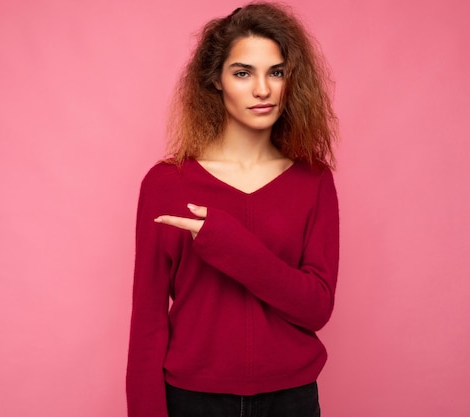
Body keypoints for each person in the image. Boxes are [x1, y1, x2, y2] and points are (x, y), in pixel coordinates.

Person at [126, 3, 339, 416]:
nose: (263, 89)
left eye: (276, 72)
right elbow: (148, 322)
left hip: (291, 399)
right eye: (243, 73)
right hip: (192, 400)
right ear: (216, 81)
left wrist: (229, 244)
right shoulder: (166, 183)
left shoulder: (312, 180)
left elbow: (317, 307)